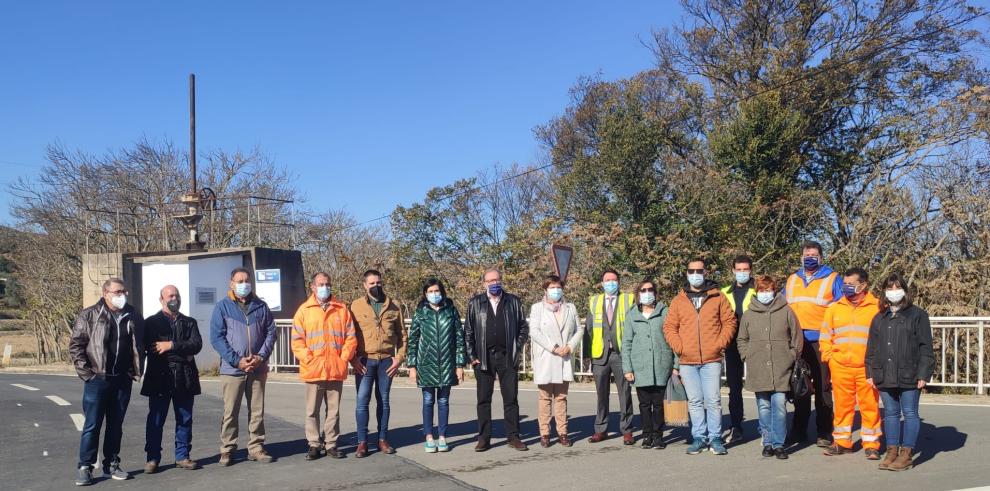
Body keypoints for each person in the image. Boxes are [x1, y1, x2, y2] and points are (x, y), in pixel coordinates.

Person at [70, 278, 144, 486]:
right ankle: (85, 467)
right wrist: (88, 375)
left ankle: (112, 463)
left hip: (122, 379)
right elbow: (76, 345)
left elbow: (139, 344)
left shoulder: (133, 314)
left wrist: (133, 371)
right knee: (92, 425)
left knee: (116, 425)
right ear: (105, 293)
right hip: (97, 379)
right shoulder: (90, 314)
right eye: (118, 292)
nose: (123, 295)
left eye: (124, 292)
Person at [663, 257, 736, 456]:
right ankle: (699, 437)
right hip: (687, 360)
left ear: (706, 273)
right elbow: (670, 326)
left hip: (711, 359)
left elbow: (729, 322)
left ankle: (715, 438)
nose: (695, 274)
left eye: (699, 271)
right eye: (691, 271)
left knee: (713, 400)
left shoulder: (718, 296)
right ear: (687, 273)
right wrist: (680, 347)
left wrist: (719, 344)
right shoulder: (679, 300)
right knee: (695, 401)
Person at [866, 273, 935, 472]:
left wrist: (924, 373)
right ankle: (891, 451)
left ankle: (906, 453)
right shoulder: (879, 317)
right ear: (884, 292)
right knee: (891, 413)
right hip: (884, 373)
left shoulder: (917, 315)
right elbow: (871, 348)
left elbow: (926, 347)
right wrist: (870, 371)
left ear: (904, 290)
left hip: (910, 373)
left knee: (910, 412)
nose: (893, 292)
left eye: (897, 288)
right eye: (889, 288)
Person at [210, 267, 277, 466]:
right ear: (231, 283)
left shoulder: (261, 306)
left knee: (257, 411)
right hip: (233, 369)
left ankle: (256, 447)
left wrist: (260, 357)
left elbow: (271, 333)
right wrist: (236, 360)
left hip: (257, 367)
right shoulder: (222, 307)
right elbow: (217, 337)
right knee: (231, 411)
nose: (243, 284)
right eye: (239, 281)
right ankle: (227, 448)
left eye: (247, 280)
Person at [290, 272, 357, 460]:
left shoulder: (341, 309)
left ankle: (331, 444)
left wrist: (343, 358)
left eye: (327, 284)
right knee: (312, 411)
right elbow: (297, 341)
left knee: (333, 411)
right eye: (320, 284)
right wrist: (309, 359)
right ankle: (313, 443)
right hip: (313, 369)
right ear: (312, 287)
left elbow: (351, 337)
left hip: (336, 368)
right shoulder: (304, 310)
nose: (324, 287)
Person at [785, 240, 844, 447]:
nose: (810, 257)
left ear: (821, 257)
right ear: (801, 257)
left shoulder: (833, 278)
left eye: (814, 254)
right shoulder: (792, 279)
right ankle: (798, 430)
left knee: (822, 388)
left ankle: (824, 431)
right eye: (806, 254)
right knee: (799, 386)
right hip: (797, 342)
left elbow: (841, 308)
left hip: (821, 341)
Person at [736, 275, 802, 460]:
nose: (766, 293)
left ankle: (779, 444)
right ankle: (767, 442)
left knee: (779, 405)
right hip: (758, 369)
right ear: (757, 292)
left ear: (775, 290)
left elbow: (797, 336)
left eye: (769, 289)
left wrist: (791, 355)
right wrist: (746, 355)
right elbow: (742, 339)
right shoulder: (749, 314)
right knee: (763, 407)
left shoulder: (786, 310)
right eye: (762, 290)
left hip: (782, 368)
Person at [465, 267, 530, 452]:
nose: (494, 283)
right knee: (483, 400)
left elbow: (523, 328)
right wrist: (472, 357)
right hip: (484, 358)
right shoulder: (475, 303)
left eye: (497, 279)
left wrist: (516, 347)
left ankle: (513, 437)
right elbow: (468, 332)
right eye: (490, 281)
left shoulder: (513, 301)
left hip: (507, 357)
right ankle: (484, 438)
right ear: (484, 283)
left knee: (511, 399)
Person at [820, 268, 882, 459]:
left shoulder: (878, 307)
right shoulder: (834, 308)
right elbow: (825, 336)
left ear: (863, 285)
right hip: (840, 367)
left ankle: (871, 444)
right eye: (844, 284)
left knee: (870, 406)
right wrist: (830, 358)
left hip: (867, 368)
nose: (846, 287)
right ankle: (841, 442)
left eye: (850, 284)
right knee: (842, 406)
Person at [141, 285, 202, 474]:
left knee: (184, 419)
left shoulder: (190, 322)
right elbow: (151, 348)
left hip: (185, 377)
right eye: (170, 296)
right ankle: (152, 458)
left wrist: (171, 345)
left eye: (177, 295)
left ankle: (182, 456)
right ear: (161, 299)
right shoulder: (151, 322)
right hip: (159, 377)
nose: (174, 298)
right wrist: (183, 352)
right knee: (156, 420)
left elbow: (196, 345)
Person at [350, 269, 406, 458]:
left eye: (378, 282)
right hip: (364, 361)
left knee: (384, 401)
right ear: (365, 285)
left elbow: (403, 336)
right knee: (362, 401)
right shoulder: (355, 306)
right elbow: (348, 335)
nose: (376, 286)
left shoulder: (394, 306)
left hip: (386, 362)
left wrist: (399, 358)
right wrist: (353, 358)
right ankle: (362, 442)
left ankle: (382, 439)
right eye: (372, 283)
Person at [406, 278, 466, 453]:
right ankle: (429, 436)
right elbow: (413, 341)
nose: (434, 294)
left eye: (436, 291)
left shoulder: (451, 311)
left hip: (447, 363)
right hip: (426, 364)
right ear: (425, 294)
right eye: (430, 292)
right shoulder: (420, 313)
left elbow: (459, 339)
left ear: (442, 292)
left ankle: (442, 436)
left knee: (444, 400)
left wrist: (460, 364)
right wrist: (412, 366)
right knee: (428, 400)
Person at [621, 278, 676, 449]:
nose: (647, 293)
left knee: (659, 405)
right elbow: (626, 343)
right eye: (643, 290)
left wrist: (676, 365)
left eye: (650, 290)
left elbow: (673, 338)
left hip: (661, 365)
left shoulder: (665, 312)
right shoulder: (632, 315)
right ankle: (647, 435)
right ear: (638, 294)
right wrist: (627, 368)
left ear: (655, 292)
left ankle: (658, 436)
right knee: (644, 405)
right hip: (641, 367)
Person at [529, 275, 582, 448]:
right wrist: (553, 347)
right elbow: (535, 332)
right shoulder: (537, 308)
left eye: (558, 287)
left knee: (561, 398)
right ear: (545, 290)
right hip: (547, 357)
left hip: (564, 358)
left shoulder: (570, 308)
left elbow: (578, 330)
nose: (555, 290)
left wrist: (570, 346)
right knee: (544, 398)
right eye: (552, 287)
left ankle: (563, 432)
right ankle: (544, 433)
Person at [585, 269, 637, 444]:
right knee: (601, 394)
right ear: (602, 283)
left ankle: (627, 430)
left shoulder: (628, 299)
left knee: (625, 393)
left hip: (621, 353)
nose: (611, 283)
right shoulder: (594, 301)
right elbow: (589, 329)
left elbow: (633, 326)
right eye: (607, 280)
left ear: (619, 282)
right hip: (600, 354)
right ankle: (601, 429)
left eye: (614, 280)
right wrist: (588, 355)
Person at [719, 255, 755, 443]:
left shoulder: (758, 290)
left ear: (750, 270)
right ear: (733, 270)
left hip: (754, 343)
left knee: (761, 386)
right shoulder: (724, 292)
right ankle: (736, 426)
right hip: (732, 344)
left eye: (745, 269)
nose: (742, 273)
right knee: (734, 387)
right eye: (738, 269)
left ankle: (765, 426)